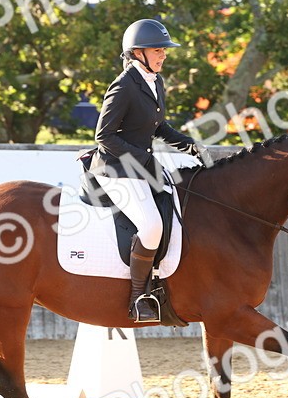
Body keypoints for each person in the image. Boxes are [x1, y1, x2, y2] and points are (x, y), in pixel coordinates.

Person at [88, 19, 212, 322]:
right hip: (116, 169)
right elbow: (104, 136)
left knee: (180, 206)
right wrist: (140, 159)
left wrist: (190, 146)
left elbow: (159, 127)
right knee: (153, 226)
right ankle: (138, 298)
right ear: (138, 53)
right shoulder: (123, 86)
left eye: (164, 51)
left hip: (142, 166)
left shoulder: (155, 81)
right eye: (159, 50)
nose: (164, 56)